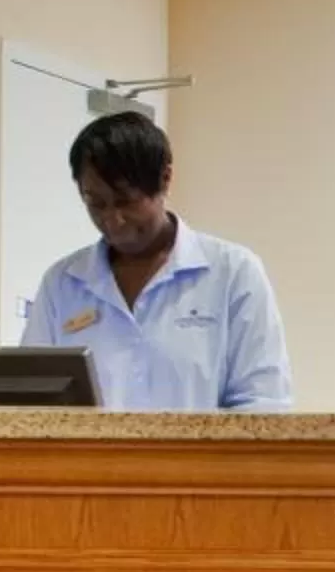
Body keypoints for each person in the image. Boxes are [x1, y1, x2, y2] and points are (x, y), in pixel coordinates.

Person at [20, 110, 292, 411]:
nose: (113, 219)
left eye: (127, 201)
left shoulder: (233, 273)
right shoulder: (63, 283)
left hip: (198, 458)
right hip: (91, 459)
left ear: (164, 179)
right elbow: (35, 400)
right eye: (96, 203)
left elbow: (263, 403)